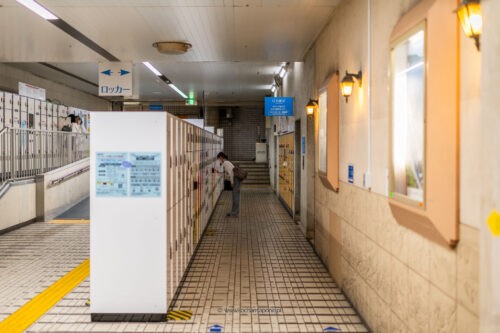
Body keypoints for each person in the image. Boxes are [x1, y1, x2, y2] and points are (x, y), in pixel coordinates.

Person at [217, 152, 241, 218]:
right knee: (235, 196)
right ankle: (234, 212)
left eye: (219, 159)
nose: (219, 160)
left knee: (235, 197)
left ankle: (234, 213)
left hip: (235, 179)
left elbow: (231, 173)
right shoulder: (227, 162)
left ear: (221, 157)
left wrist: (232, 182)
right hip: (236, 179)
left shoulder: (225, 163)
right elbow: (228, 172)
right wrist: (220, 172)